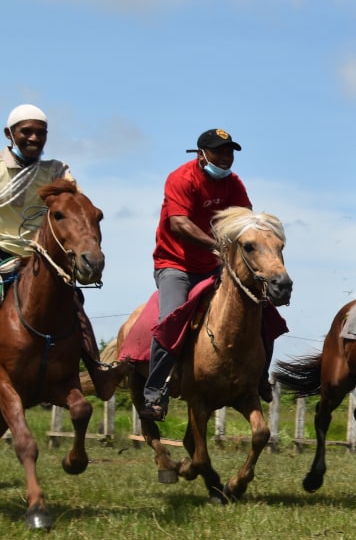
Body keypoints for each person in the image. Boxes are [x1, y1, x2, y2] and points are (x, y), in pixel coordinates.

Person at [1, 104, 114, 397]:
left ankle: (96, 369)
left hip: (42, 256)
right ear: (9, 134)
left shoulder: (55, 169)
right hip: (2, 254)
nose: (34, 138)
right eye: (26, 132)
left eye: (41, 133)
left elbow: (75, 204)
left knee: (73, 302)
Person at [141, 129, 253, 420]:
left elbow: (245, 220)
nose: (226, 158)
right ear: (201, 154)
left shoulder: (234, 184)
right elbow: (179, 224)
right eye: (220, 152)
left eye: (230, 153)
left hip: (215, 266)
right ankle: (155, 394)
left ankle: (258, 379)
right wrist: (216, 244)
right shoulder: (181, 178)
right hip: (175, 265)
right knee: (172, 320)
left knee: (259, 307)